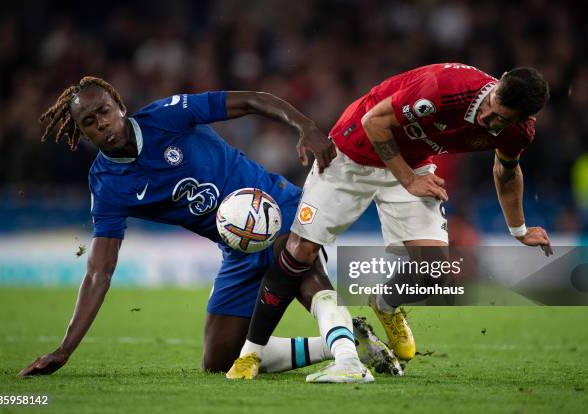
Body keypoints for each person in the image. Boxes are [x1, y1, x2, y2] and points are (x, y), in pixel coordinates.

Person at [17, 76, 397, 382]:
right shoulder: (107, 184)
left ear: (120, 107)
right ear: (84, 134)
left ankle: (348, 362)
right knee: (219, 361)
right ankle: (346, 341)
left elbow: (251, 100)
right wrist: (64, 349)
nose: (101, 124)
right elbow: (100, 270)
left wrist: (306, 126)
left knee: (295, 261)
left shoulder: (169, 115)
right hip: (237, 246)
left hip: (280, 207)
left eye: (104, 112)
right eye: (90, 123)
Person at [229, 63, 553, 379]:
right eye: (491, 106)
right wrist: (409, 180)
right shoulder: (446, 89)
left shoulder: (518, 133)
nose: (487, 118)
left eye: (500, 119)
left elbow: (507, 173)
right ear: (500, 82)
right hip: (352, 152)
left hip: (409, 163)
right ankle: (251, 354)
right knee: (300, 250)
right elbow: (375, 122)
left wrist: (519, 229)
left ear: (524, 119)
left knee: (434, 272)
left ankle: (384, 305)